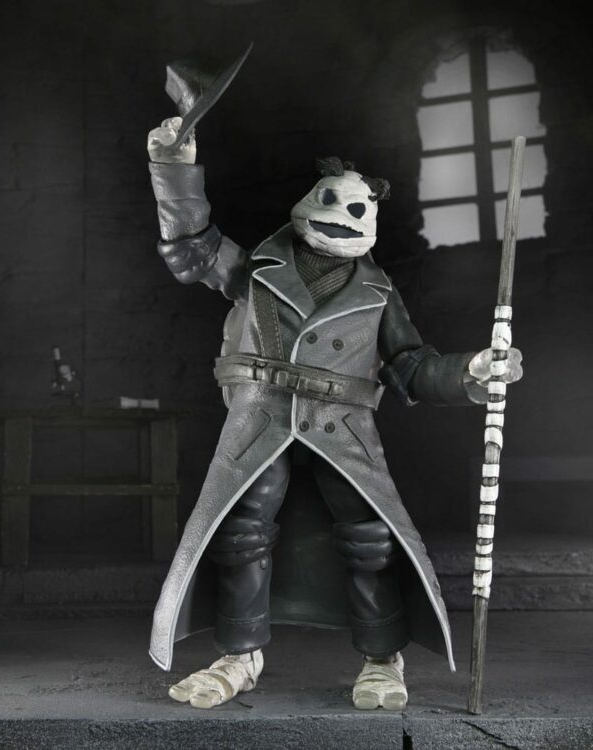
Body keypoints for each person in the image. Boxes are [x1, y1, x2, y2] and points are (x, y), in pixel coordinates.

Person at [146, 117, 523, 710]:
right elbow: (192, 248)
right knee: (240, 532)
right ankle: (240, 656)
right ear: (308, 200)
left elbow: (411, 367)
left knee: (370, 538)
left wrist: (472, 370)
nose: (341, 216)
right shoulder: (256, 269)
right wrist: (174, 168)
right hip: (260, 421)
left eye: (357, 208)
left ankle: (382, 658)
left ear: (370, 218)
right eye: (330, 201)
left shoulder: (378, 293)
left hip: (343, 428)